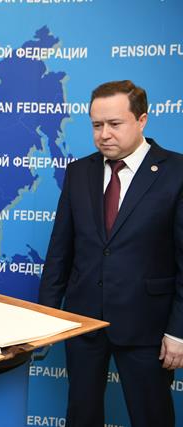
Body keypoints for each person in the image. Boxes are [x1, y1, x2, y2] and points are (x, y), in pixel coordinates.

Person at [38, 80, 183, 426]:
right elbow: (60, 251)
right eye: (96, 125)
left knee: (152, 417)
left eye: (114, 124)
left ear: (142, 120)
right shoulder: (79, 172)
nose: (104, 134)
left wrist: (178, 332)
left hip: (148, 327)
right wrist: (45, 317)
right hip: (84, 322)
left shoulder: (176, 173)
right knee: (81, 415)